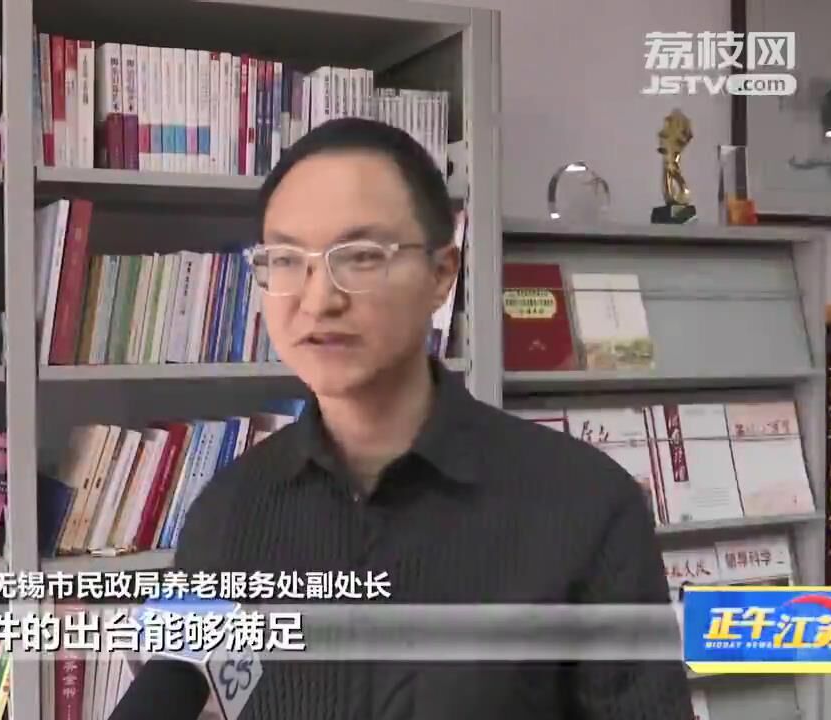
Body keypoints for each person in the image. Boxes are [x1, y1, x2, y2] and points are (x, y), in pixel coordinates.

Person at [111, 117, 691, 719]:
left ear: (442, 275)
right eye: (284, 258)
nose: (318, 299)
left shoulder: (586, 506)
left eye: (361, 256)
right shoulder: (225, 514)